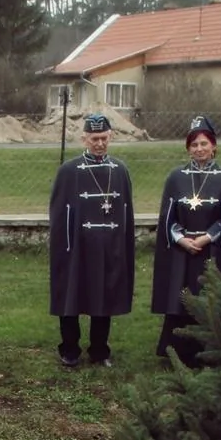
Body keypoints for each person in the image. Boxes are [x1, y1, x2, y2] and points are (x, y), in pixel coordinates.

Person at [151, 115, 221, 368]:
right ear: (188, 148)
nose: (199, 149)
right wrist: (180, 238)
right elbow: (167, 214)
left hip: (210, 246)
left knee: (208, 296)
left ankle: (210, 350)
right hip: (183, 247)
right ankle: (177, 350)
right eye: (194, 145)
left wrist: (205, 237)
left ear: (214, 146)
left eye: (204, 144)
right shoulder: (176, 176)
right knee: (181, 297)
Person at [49, 113, 136, 367]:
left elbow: (125, 211)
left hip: (109, 245)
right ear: (84, 138)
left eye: (104, 138)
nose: (99, 144)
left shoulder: (119, 170)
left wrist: (120, 242)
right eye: (94, 138)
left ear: (111, 137)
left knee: (104, 295)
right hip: (77, 245)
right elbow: (59, 212)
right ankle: (70, 348)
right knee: (71, 294)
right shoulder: (68, 171)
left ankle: (100, 350)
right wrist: (65, 245)